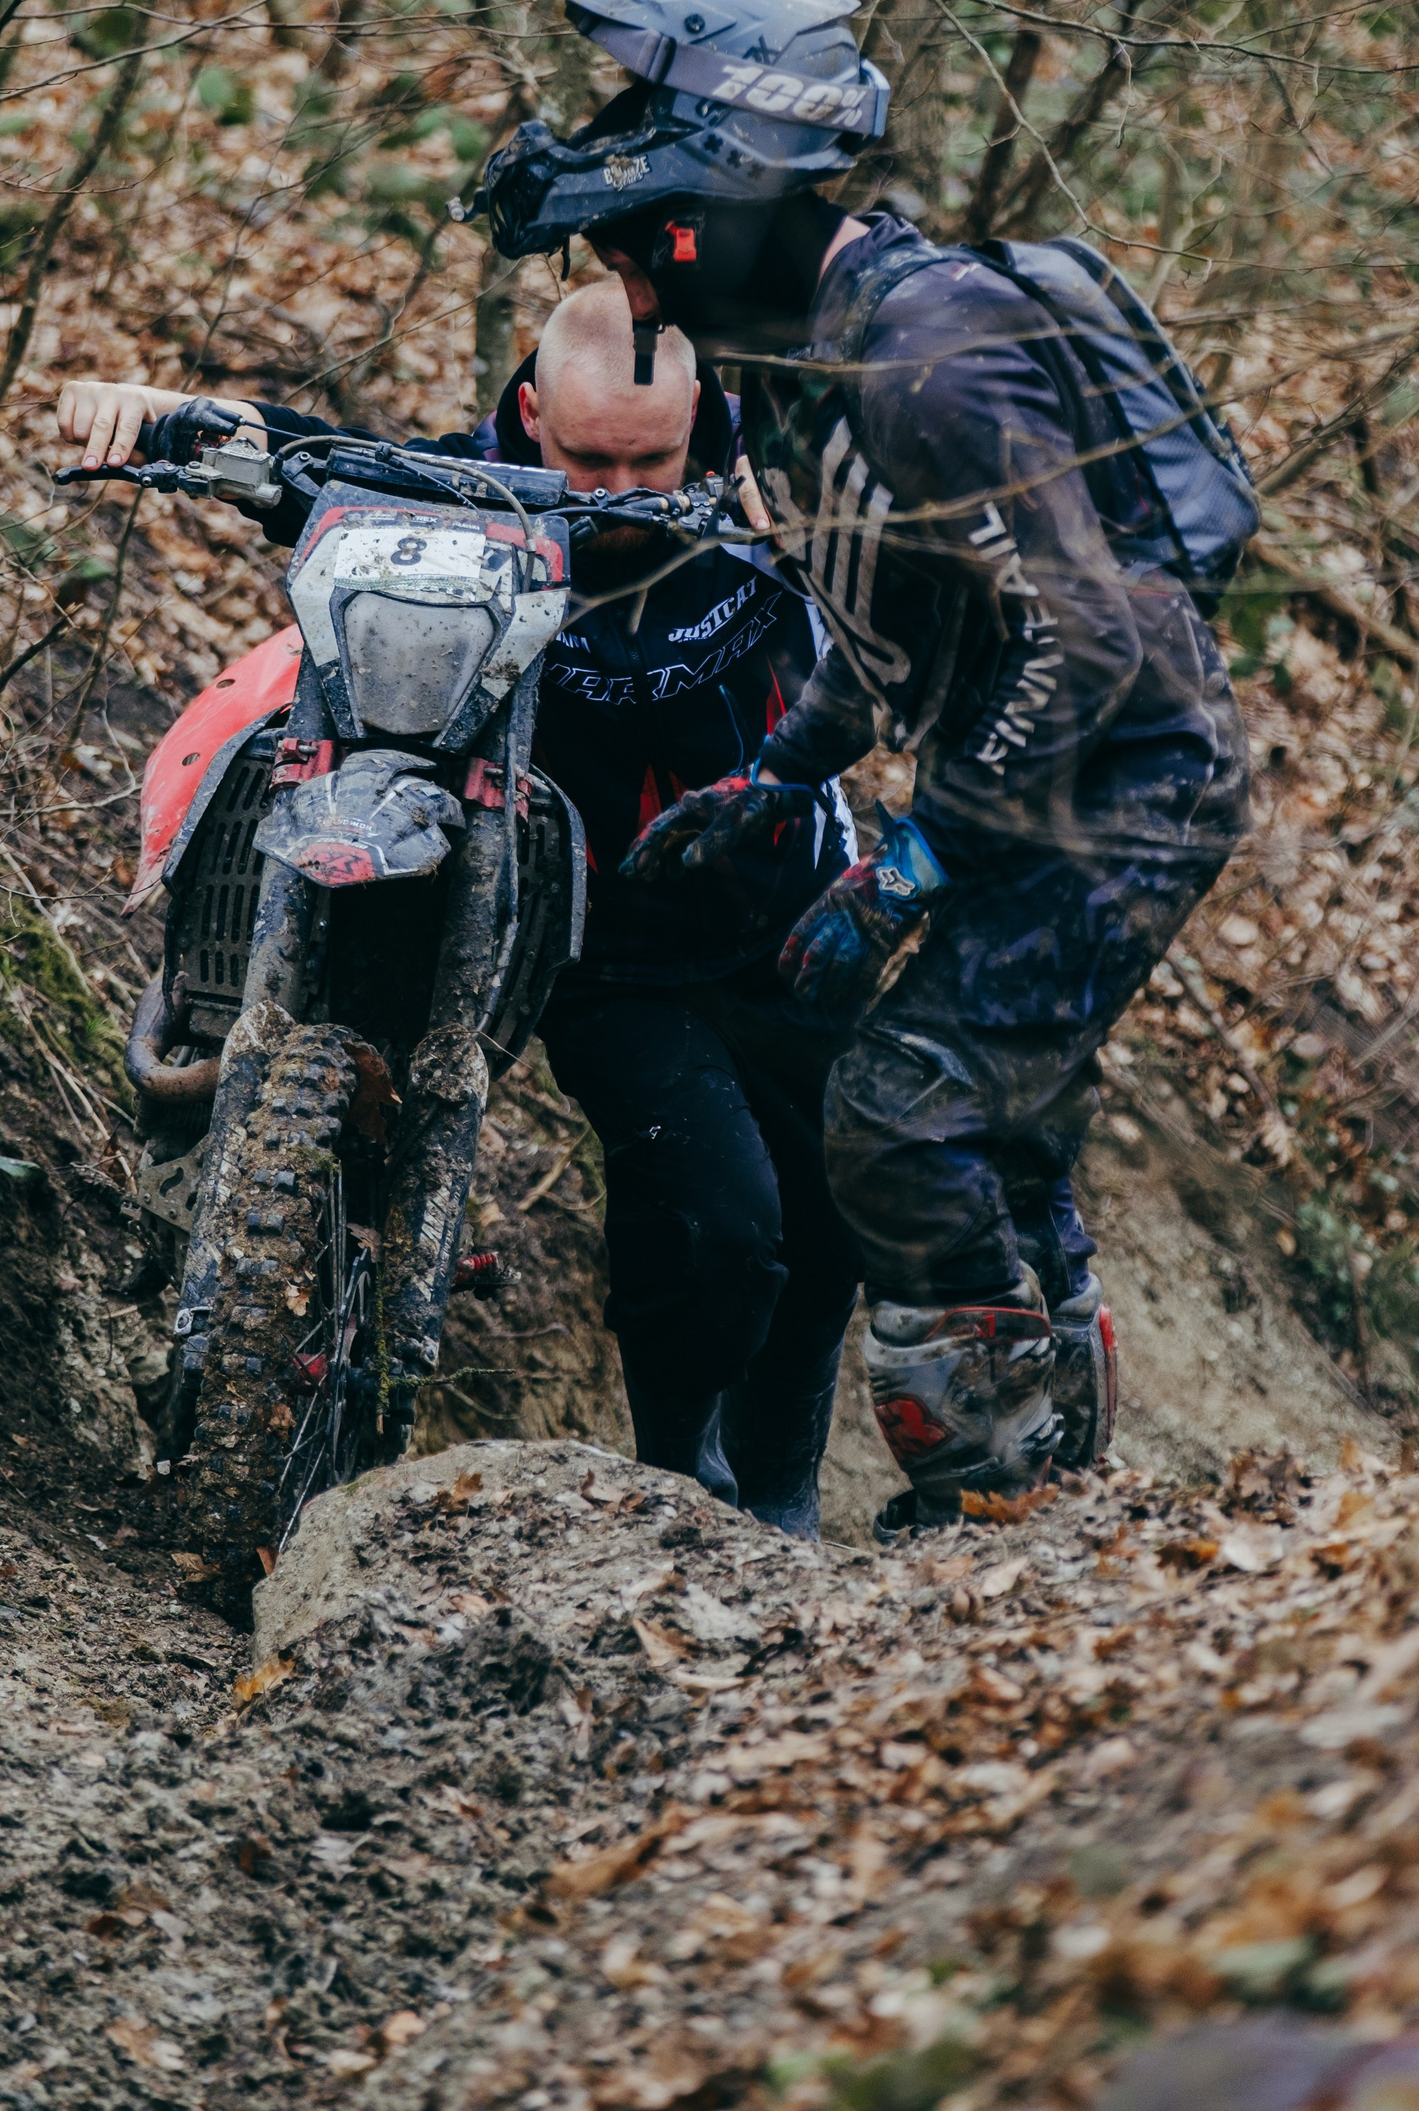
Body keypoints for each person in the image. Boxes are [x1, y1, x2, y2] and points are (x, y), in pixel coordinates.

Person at [457, 0, 1253, 1536]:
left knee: (898, 1109)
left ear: (718, 216)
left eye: (642, 250)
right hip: (1031, 765)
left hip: (1128, 784)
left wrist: (917, 858)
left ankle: (997, 1510)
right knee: (984, 1120)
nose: (630, 288)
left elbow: (1088, 634)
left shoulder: (928, 362)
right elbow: (892, 618)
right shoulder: (802, 368)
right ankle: (1057, 1492)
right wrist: (783, 775)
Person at [54, 282, 863, 1538]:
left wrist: (832, 508)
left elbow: (969, 508)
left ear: (701, 415)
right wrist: (150, 410)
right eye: (587, 460)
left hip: (792, 906)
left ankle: (787, 1484)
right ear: (531, 413)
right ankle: (689, 1490)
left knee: (831, 1215)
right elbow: (305, 458)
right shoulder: (462, 493)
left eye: (650, 463)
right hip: (602, 942)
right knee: (718, 1226)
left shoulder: (788, 478)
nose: (618, 495)